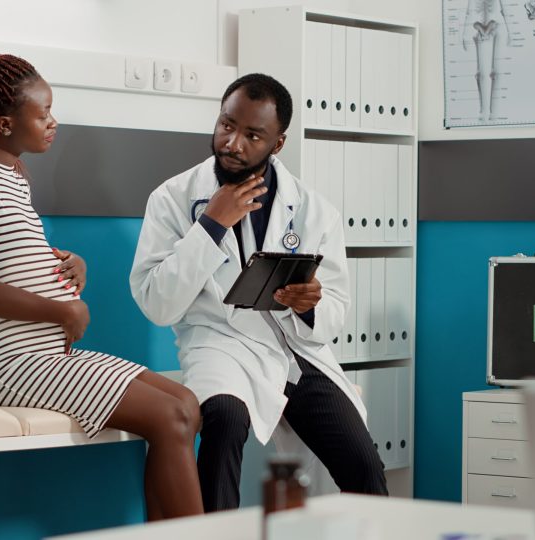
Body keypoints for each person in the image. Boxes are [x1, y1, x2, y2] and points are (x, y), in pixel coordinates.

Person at [0, 48, 203, 521]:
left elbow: (6, 257)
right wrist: (62, 311)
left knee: (185, 403)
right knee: (173, 415)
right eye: (43, 114)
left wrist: (63, 263)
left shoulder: (14, 176)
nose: (53, 122)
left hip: (40, 355)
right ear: (4, 125)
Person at [130, 73, 388, 511]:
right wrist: (211, 226)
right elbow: (156, 302)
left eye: (252, 135)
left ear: (278, 143)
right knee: (224, 420)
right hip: (219, 345)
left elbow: (334, 312)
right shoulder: (172, 199)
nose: (233, 143)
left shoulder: (313, 209)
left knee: (363, 463)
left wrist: (310, 305)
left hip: (293, 350)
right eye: (227, 125)